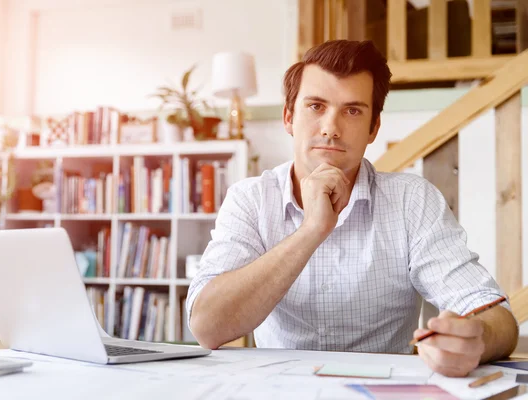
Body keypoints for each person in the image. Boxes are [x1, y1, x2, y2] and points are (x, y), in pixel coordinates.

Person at [186, 40, 518, 377]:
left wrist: (478, 338)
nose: (331, 128)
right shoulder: (250, 199)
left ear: (374, 128)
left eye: (353, 110)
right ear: (288, 116)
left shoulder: (412, 201)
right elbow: (207, 327)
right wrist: (311, 231)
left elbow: (499, 319)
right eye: (315, 106)